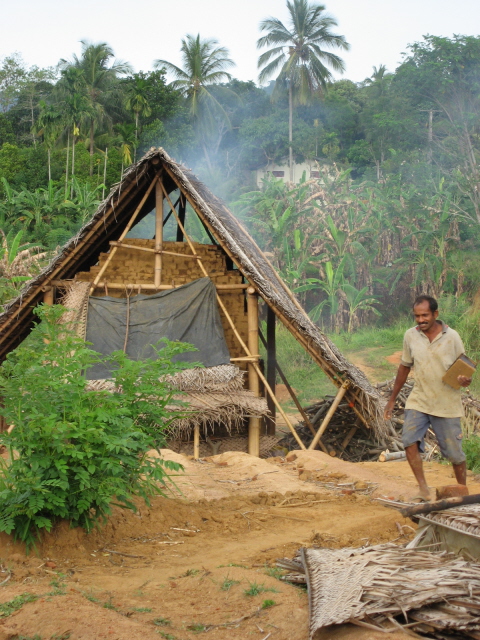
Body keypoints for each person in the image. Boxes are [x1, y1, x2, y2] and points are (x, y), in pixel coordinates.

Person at [384, 295, 472, 501]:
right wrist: (391, 399)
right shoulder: (410, 336)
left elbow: (464, 370)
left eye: (425, 315)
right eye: (417, 316)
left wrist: (463, 379)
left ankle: (461, 493)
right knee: (408, 441)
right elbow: (404, 367)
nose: (421, 320)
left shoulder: (452, 337)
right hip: (419, 400)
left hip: (446, 403)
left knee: (455, 454)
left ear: (435, 314)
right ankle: (423, 488)